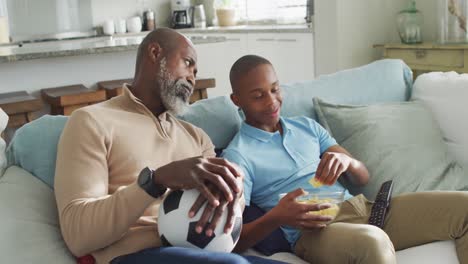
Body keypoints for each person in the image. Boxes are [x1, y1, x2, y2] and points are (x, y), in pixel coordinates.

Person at [54, 29, 285, 264]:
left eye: (195, 72)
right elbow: (77, 236)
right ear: (155, 53)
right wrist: (156, 181)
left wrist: (235, 196)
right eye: (187, 63)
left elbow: (232, 207)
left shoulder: (197, 138)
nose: (192, 78)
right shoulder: (92, 121)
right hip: (132, 256)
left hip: (202, 253)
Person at [222, 54, 468, 264]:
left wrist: (347, 163)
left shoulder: (307, 127)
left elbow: (363, 176)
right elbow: (230, 238)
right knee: (372, 242)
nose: (271, 101)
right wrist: (277, 217)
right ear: (237, 100)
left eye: (275, 89)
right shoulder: (238, 155)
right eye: (258, 96)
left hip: (364, 209)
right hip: (315, 233)